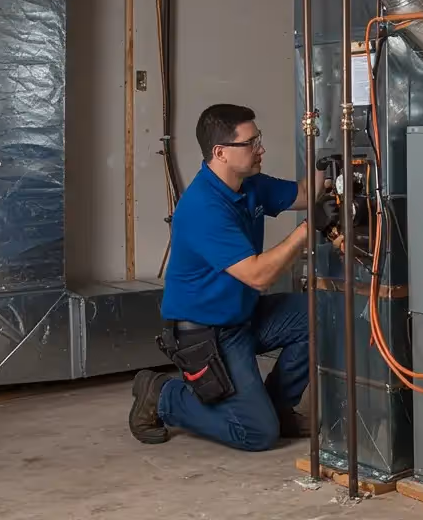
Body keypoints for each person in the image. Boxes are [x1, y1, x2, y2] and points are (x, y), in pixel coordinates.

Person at [128, 103, 326, 451]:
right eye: (250, 142)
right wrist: (309, 230)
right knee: (256, 434)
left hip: (243, 316)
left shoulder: (251, 185)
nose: (260, 148)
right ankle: (163, 395)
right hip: (207, 334)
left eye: (258, 139)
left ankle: (278, 407)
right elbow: (258, 276)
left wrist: (334, 160)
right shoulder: (203, 207)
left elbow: (307, 193)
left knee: (321, 313)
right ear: (220, 152)